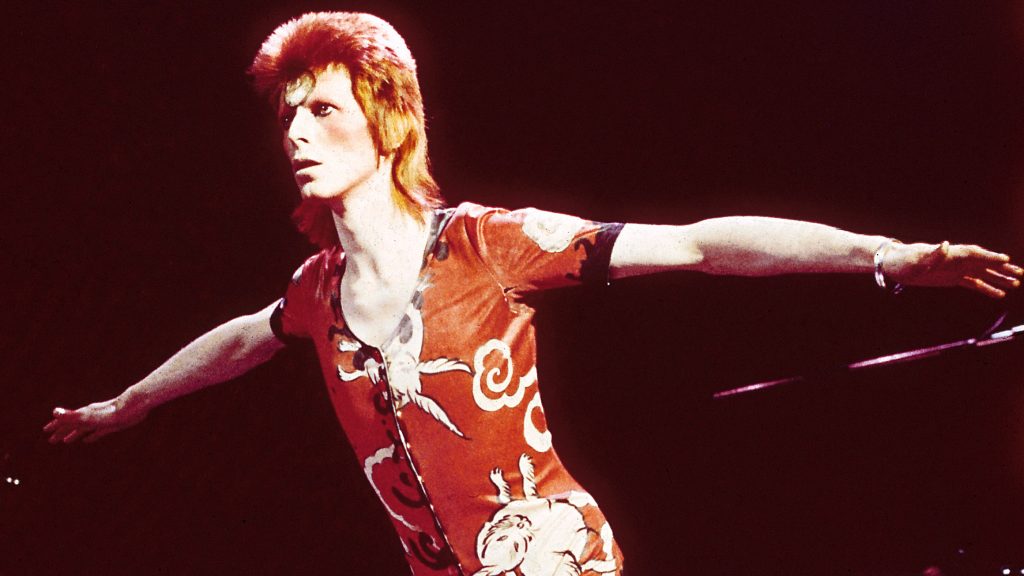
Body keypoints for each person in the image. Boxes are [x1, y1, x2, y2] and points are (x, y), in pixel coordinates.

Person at [43, 11, 1021, 576]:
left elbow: (698, 246)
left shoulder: (488, 245)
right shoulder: (316, 292)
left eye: (324, 108)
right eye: (289, 113)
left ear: (386, 122)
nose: (296, 131)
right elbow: (241, 339)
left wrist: (886, 255)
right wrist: (127, 405)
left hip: (552, 554)